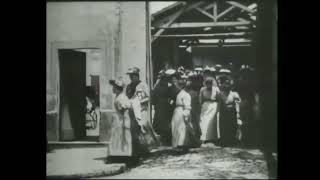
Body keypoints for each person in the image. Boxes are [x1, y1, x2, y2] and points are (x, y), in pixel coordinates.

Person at [107, 77, 139, 164]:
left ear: (117, 88)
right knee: (117, 137)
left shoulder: (122, 97)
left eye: (114, 87)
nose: (113, 89)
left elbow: (126, 110)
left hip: (121, 120)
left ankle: (124, 155)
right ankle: (116, 154)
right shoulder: (119, 96)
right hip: (117, 119)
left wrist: (126, 122)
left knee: (121, 137)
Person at [126, 67, 159, 149]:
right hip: (132, 110)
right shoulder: (129, 86)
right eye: (130, 76)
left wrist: (138, 102)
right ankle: (137, 147)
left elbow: (148, 97)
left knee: (143, 126)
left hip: (142, 110)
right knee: (134, 128)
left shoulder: (143, 85)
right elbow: (127, 97)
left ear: (137, 76)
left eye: (133, 76)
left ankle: (149, 145)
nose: (131, 78)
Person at [171, 79, 198, 152]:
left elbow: (187, 106)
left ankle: (183, 144)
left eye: (177, 86)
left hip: (182, 112)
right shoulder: (179, 94)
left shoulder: (186, 95)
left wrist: (186, 115)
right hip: (177, 111)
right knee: (176, 128)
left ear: (181, 86)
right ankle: (178, 144)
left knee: (182, 128)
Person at [217, 75, 242, 147]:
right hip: (223, 113)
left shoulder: (234, 94)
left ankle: (232, 141)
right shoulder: (220, 94)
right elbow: (219, 103)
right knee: (223, 127)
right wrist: (218, 112)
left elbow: (237, 104)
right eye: (225, 84)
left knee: (232, 126)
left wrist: (237, 113)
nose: (226, 86)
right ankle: (224, 141)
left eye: (228, 85)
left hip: (232, 113)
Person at [151, 71, 172, 146]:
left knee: (164, 123)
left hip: (163, 106)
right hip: (162, 106)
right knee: (162, 123)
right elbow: (153, 96)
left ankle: (165, 139)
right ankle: (164, 139)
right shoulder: (159, 86)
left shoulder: (161, 86)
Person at [199, 77, 220, 145]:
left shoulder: (216, 89)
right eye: (207, 83)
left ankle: (213, 137)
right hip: (205, 105)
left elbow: (218, 98)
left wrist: (218, 106)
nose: (209, 84)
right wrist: (201, 105)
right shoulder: (202, 89)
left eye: (210, 83)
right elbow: (201, 98)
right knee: (204, 120)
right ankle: (204, 137)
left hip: (213, 105)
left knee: (213, 121)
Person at [185, 72, 201, 141]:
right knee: (193, 124)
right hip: (191, 110)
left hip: (192, 110)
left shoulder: (193, 93)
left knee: (193, 124)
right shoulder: (192, 93)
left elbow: (197, 103)